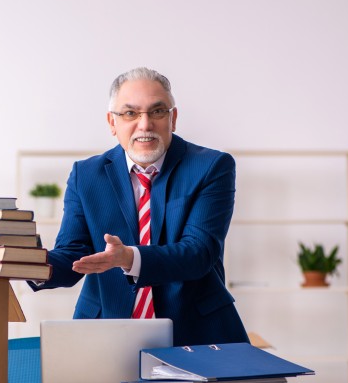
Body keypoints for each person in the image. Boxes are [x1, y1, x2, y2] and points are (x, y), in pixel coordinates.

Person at [30, 66, 248, 348]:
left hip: (197, 333)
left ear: (173, 118)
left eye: (157, 112)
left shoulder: (211, 167)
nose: (145, 125)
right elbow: (74, 254)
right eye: (130, 113)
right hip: (104, 331)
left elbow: (199, 253)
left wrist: (128, 258)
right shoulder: (86, 175)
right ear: (112, 122)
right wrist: (24, 262)